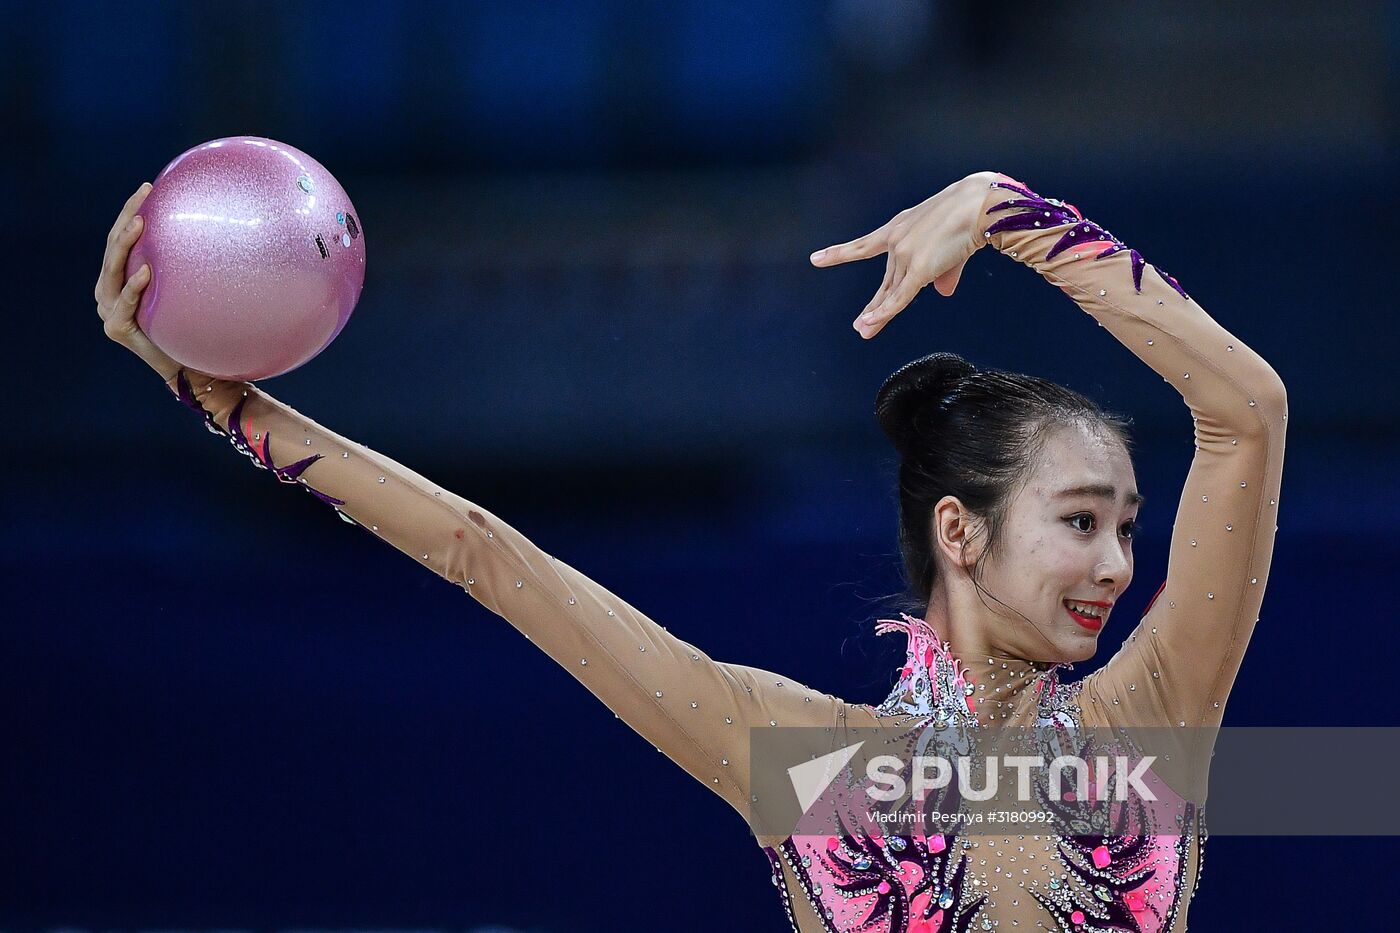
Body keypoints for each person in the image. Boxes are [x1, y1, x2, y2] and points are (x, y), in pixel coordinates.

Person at [95, 171, 1286, 931]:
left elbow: (1247, 411)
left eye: (1124, 527)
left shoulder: (1152, 727)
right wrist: (223, 406)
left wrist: (1007, 214)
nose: (1117, 566)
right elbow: (485, 554)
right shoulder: (798, 758)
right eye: (1078, 524)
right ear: (959, 533)